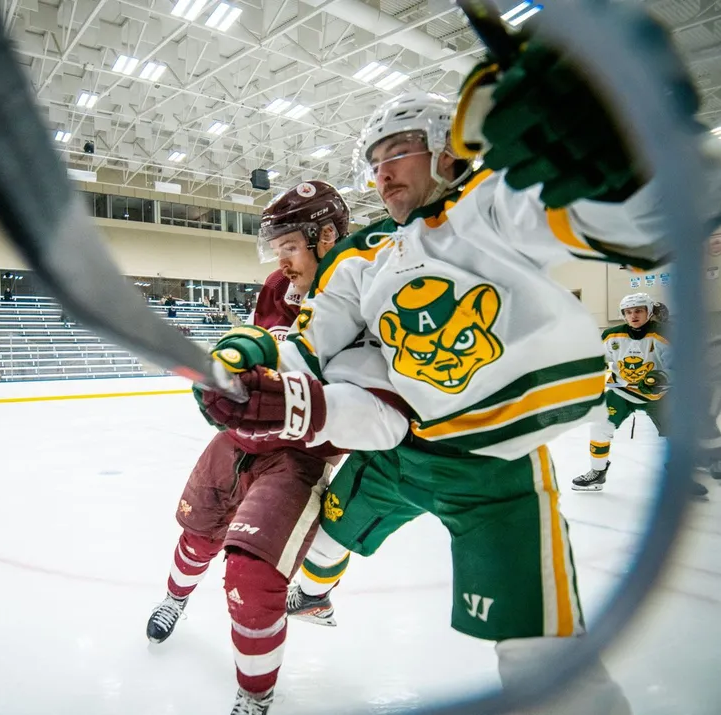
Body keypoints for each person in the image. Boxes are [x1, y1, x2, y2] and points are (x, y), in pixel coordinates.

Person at [195, 33, 700, 708]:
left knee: (543, 657)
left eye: (396, 149)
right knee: (328, 537)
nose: (382, 171)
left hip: (497, 463)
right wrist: (254, 355)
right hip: (401, 453)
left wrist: (620, 164)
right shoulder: (362, 257)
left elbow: (633, 223)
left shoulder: (494, 205)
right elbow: (311, 343)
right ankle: (314, 592)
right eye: (373, 161)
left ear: (443, 147)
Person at [146, 182, 379, 715]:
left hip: (299, 456)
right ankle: (174, 599)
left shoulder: (368, 294)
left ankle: (255, 696)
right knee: (197, 533)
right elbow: (262, 347)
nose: (283, 262)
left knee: (251, 577)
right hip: (237, 440)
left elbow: (362, 397)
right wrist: (226, 378)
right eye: (278, 251)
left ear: (327, 236)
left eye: (292, 247)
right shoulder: (278, 285)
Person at [572, 293, 706, 497]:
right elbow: (597, 360)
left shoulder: (664, 334)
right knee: (600, 426)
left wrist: (660, 378)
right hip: (621, 392)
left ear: (648, 312)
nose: (633, 315)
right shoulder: (611, 335)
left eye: (638, 311)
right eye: (628, 312)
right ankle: (598, 472)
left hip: (659, 395)